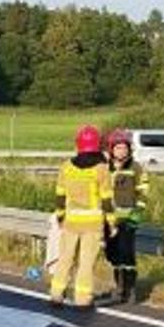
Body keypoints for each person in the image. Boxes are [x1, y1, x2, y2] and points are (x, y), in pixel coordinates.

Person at [48, 126, 112, 310]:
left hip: (70, 222)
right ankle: (82, 299)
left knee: (65, 258)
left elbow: (60, 195)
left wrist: (60, 216)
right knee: (86, 263)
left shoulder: (66, 167)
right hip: (92, 224)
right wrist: (112, 222)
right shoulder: (101, 169)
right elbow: (107, 198)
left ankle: (56, 294)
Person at [103, 129, 150, 304]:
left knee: (126, 254)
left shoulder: (136, 168)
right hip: (109, 220)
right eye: (118, 148)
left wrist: (136, 214)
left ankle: (128, 290)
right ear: (111, 150)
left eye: (124, 148)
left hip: (128, 219)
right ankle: (119, 285)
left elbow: (144, 192)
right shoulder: (105, 167)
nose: (121, 151)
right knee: (112, 254)